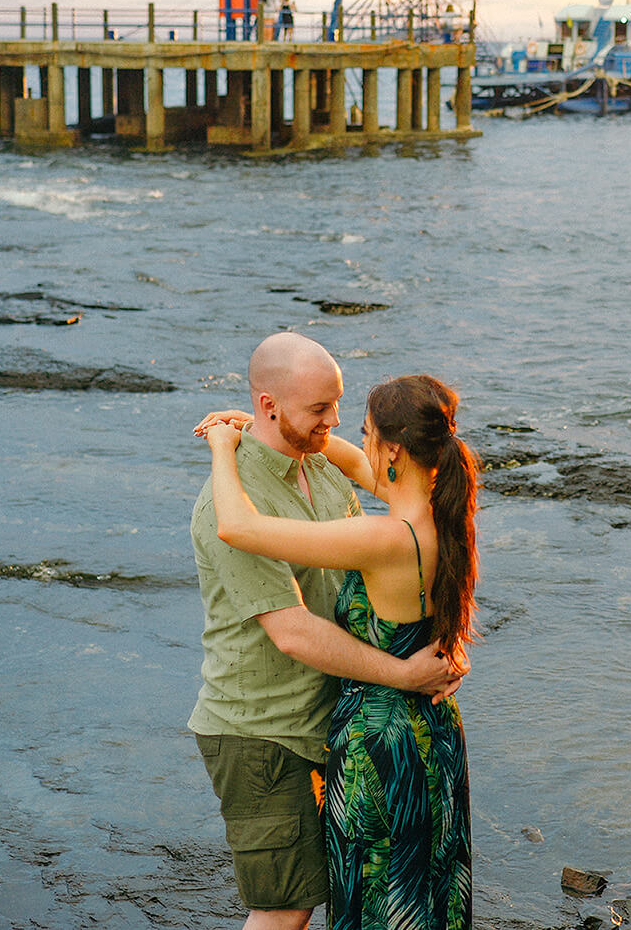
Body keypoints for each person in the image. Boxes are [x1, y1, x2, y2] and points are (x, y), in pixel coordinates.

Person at [188, 334, 461, 930]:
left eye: (340, 408)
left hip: (337, 721)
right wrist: (406, 670)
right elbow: (292, 633)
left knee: (347, 897)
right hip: (265, 730)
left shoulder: (330, 474)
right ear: (269, 405)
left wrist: (300, 432)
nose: (335, 421)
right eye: (320, 409)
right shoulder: (229, 500)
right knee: (285, 908)